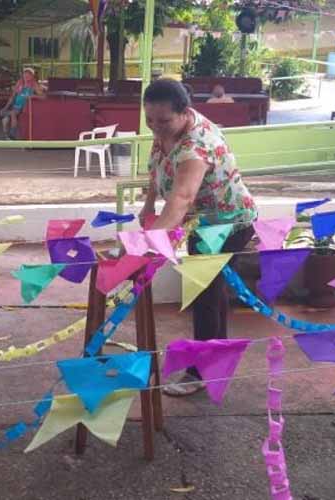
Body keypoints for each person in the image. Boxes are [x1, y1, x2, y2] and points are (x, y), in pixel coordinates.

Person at [138, 79, 257, 396]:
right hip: (200, 222)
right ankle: (218, 356)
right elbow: (158, 166)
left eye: (163, 121)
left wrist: (149, 245)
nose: (155, 128)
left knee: (201, 290)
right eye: (149, 119)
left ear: (184, 112)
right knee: (210, 290)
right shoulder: (166, 129)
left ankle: (199, 372)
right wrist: (149, 204)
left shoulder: (196, 146)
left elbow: (182, 198)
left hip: (228, 222)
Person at [0, 67, 45, 139]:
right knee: (5, 120)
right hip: (15, 107)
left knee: (12, 114)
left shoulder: (34, 85)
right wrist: (6, 107)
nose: (26, 76)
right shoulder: (19, 83)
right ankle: (9, 136)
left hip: (25, 108)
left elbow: (43, 96)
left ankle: (12, 134)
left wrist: (33, 96)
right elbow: (12, 97)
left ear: (32, 76)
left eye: (29, 74)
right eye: (25, 74)